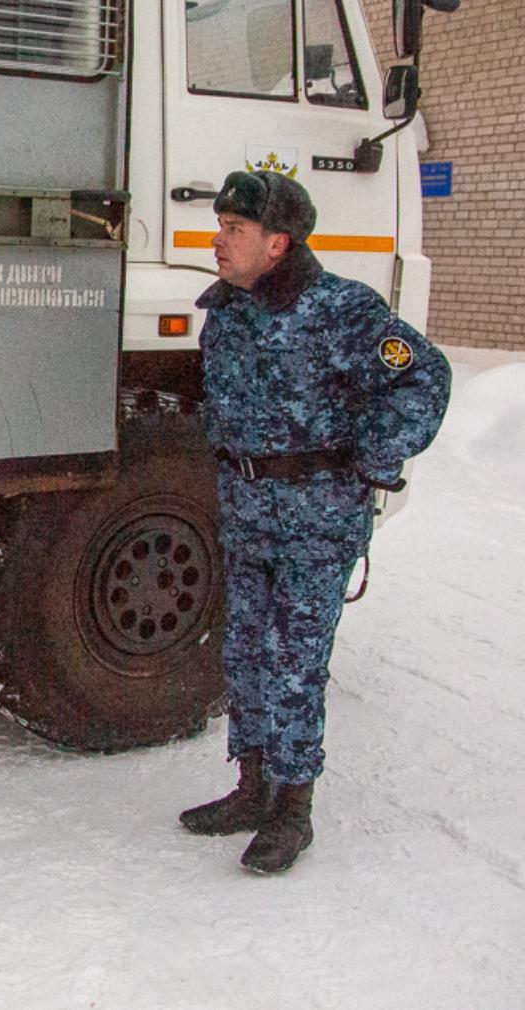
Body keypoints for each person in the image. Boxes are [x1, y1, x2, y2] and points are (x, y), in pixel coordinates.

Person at [180, 169, 450, 874]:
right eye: (222, 226)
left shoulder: (343, 311)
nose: (219, 240)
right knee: (245, 655)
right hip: (248, 517)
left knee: (295, 664)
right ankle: (250, 788)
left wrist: (375, 455)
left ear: (278, 242)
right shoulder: (228, 309)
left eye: (234, 230)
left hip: (316, 521)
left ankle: (292, 812)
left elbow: (425, 376)